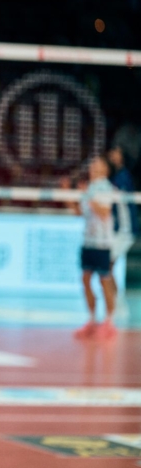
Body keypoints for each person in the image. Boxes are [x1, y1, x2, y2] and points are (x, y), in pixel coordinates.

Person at [70, 157, 122, 340]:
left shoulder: (106, 188)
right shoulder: (90, 187)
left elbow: (104, 212)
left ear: (105, 169)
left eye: (97, 165)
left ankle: (109, 322)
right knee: (85, 279)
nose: (93, 167)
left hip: (102, 243)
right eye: (92, 165)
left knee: (104, 280)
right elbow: (80, 213)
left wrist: (89, 197)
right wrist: (69, 195)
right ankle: (91, 320)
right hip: (88, 241)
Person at [108, 145, 138, 273]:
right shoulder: (113, 176)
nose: (113, 154)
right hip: (117, 228)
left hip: (125, 229)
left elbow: (123, 202)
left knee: (107, 266)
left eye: (116, 152)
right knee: (107, 268)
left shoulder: (124, 176)